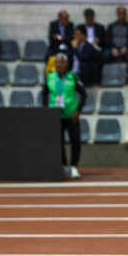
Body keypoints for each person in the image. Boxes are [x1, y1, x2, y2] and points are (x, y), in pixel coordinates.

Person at [41, 52, 86, 180]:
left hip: (71, 115)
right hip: (55, 116)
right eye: (56, 62)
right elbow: (44, 94)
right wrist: (46, 109)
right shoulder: (49, 77)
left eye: (61, 62)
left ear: (66, 63)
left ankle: (73, 166)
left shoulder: (73, 77)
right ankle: (64, 166)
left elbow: (83, 94)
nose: (59, 64)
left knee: (75, 141)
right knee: (58, 142)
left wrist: (78, 110)